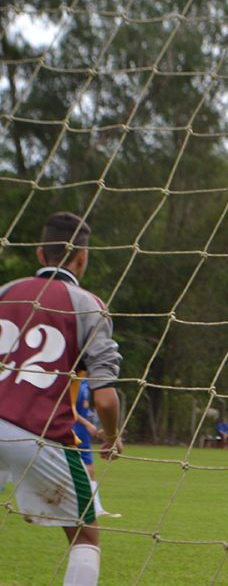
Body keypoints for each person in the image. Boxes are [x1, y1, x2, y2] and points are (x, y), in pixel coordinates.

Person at [0, 211, 123, 586]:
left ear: (39, 254)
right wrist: (112, 435)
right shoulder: (87, 304)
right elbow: (105, 399)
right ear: (82, 257)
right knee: (85, 537)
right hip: (37, 434)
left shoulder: (4, 293)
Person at [73, 376, 121, 518]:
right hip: (72, 429)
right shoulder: (73, 380)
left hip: (83, 433)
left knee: (90, 470)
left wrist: (100, 429)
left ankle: (97, 508)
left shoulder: (88, 382)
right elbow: (66, 408)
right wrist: (87, 424)